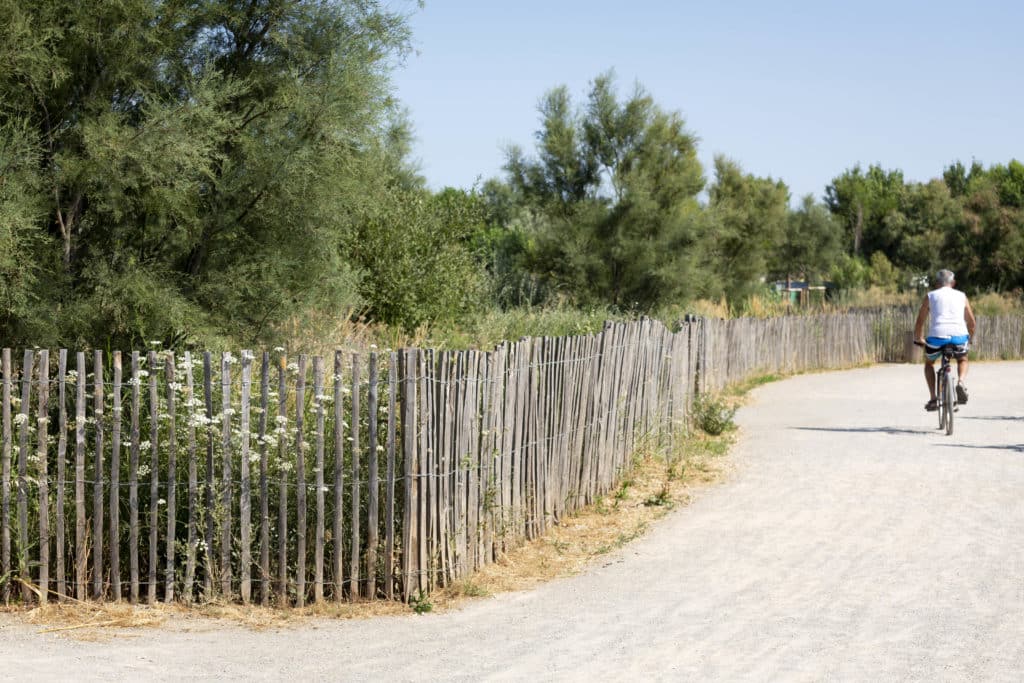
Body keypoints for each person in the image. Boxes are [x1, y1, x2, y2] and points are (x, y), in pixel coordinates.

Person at [913, 269, 976, 411]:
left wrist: (919, 338)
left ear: (937, 284)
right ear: (953, 283)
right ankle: (960, 382)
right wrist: (969, 338)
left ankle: (933, 398)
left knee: (929, 363)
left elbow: (920, 321)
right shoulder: (962, 296)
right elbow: (972, 322)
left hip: (936, 338)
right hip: (959, 337)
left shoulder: (930, 296)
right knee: (963, 359)